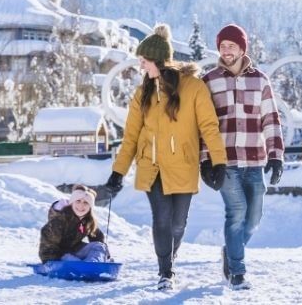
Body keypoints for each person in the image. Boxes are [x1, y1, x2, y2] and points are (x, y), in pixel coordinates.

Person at [104, 24, 228, 291]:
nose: (141, 66)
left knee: (178, 223)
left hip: (183, 164)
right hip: (152, 166)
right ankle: (166, 271)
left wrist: (219, 161)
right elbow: (131, 137)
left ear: (158, 60)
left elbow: (209, 126)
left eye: (144, 61)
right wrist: (118, 172)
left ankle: (169, 259)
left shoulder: (193, 88)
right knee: (161, 218)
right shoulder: (143, 93)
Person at [200, 23, 284, 290]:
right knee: (236, 213)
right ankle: (238, 272)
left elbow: (270, 119)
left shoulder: (260, 80)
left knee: (254, 217)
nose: (226, 51)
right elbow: (202, 124)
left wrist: (276, 155)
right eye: (222, 46)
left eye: (231, 46)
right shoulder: (209, 81)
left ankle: (231, 251)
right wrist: (205, 160)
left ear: (242, 48)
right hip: (225, 162)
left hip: (254, 160)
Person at [38, 185, 110, 263]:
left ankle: (93, 265)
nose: (81, 205)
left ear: (90, 207)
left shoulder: (87, 220)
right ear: (72, 203)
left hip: (75, 250)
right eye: (78, 201)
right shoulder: (60, 219)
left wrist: (105, 256)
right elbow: (47, 245)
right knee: (72, 261)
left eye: (86, 202)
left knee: (99, 247)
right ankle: (81, 266)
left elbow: (97, 237)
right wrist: (51, 262)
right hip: (59, 255)